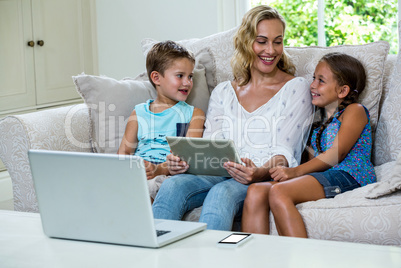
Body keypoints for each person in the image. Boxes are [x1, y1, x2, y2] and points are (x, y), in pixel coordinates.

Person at [152, 5, 314, 230]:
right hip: (218, 172)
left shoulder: (296, 88)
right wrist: (182, 164)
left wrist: (258, 173)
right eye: (262, 41)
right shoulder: (223, 91)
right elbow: (210, 146)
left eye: (278, 41)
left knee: (223, 193)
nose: (271, 50)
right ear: (247, 42)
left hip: (259, 176)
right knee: (172, 186)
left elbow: (285, 152)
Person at [241, 52, 376, 237]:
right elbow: (313, 165)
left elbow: (337, 153)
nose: (312, 85)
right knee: (256, 190)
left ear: (342, 91)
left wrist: (294, 173)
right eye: (314, 78)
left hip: (349, 176)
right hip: (325, 176)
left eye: (321, 80)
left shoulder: (355, 111)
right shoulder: (317, 121)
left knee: (279, 192)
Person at [117, 41, 205, 182]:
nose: (187, 82)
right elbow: (124, 152)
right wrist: (136, 170)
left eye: (190, 76)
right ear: (156, 78)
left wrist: (160, 169)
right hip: (138, 175)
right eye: (180, 75)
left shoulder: (194, 115)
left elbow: (188, 158)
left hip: (168, 177)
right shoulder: (138, 113)